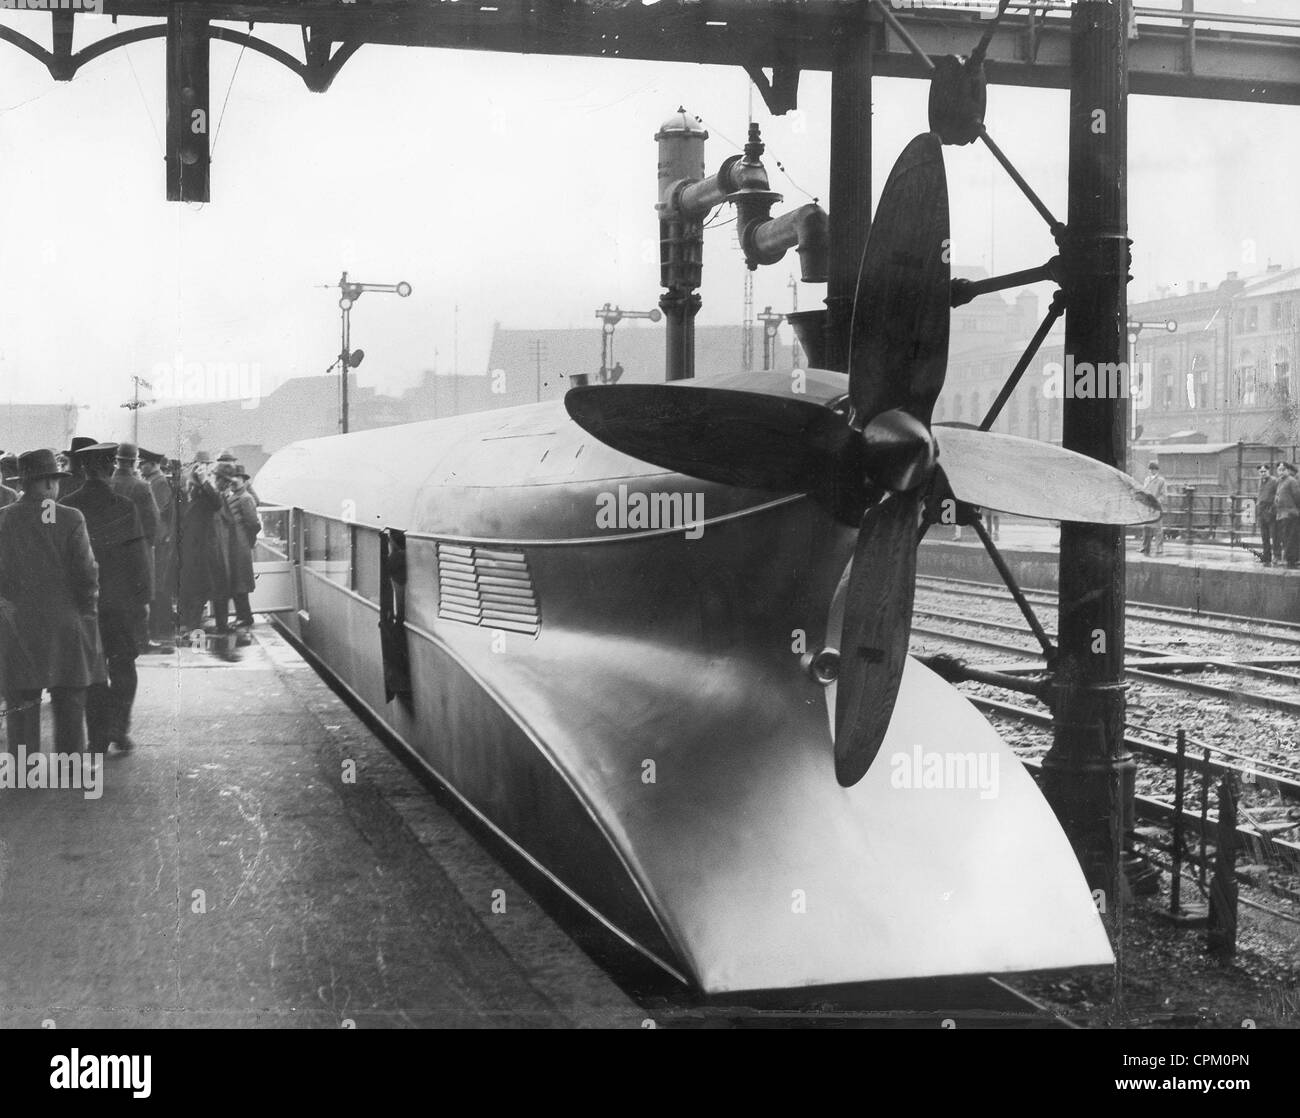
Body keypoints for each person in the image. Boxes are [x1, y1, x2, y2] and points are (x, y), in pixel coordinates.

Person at [0, 449, 104, 754]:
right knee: (69, 698)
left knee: (21, 701)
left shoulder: (3, 519)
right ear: (46, 483)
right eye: (55, 481)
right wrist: (87, 611)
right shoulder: (70, 518)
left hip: (17, 624)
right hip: (65, 623)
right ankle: (70, 766)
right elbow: (86, 573)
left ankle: (25, 766)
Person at [63, 444, 151, 751]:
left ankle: (97, 738)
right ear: (110, 467)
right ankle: (119, 728)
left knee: (93, 672)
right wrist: (143, 599)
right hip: (122, 602)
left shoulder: (68, 506)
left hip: (84, 605)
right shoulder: (125, 506)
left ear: (85, 468)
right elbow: (139, 558)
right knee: (124, 665)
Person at [177, 459, 238, 659]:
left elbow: (217, 504)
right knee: (198, 598)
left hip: (204, 554)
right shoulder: (199, 496)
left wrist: (204, 483)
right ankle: (197, 644)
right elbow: (215, 503)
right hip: (200, 556)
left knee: (205, 595)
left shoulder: (200, 495)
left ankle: (201, 638)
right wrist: (204, 483)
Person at [140, 449, 176, 647]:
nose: (140, 466)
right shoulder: (154, 481)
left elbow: (161, 511)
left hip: (160, 540)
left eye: (143, 463)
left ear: (153, 464)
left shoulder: (159, 482)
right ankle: (162, 625)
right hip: (159, 539)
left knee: (160, 584)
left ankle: (163, 627)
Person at [223, 465, 260, 644]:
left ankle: (245, 617)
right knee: (237, 582)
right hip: (235, 545)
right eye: (231, 477)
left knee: (240, 583)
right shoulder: (235, 495)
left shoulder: (245, 498)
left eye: (236, 477)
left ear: (243, 479)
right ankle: (243, 616)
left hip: (240, 545)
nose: (233, 480)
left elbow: (254, 524)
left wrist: (248, 541)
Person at [1274, 462, 1300, 569]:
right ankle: (1290, 558)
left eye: (1283, 469)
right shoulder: (1280, 481)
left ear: (1288, 470)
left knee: (1290, 537)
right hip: (1281, 513)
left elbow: (1297, 496)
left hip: (1290, 513)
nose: (1281, 471)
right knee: (1285, 536)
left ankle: (1290, 559)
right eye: (1279, 469)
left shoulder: (1292, 481)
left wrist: (1294, 509)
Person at [1140, 461, 1168, 557]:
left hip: (1156, 508)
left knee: (1158, 529)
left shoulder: (1161, 481)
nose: (1152, 471)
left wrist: (1156, 502)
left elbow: (1163, 495)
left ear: (1157, 470)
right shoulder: (1146, 480)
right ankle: (1145, 547)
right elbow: (1144, 492)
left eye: (1154, 469)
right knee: (1146, 528)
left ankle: (1159, 548)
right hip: (1147, 508)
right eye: (1151, 469)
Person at [1257, 463, 1279, 566]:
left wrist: (1272, 508)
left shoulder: (1274, 481)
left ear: (1268, 471)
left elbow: (1277, 495)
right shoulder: (1260, 481)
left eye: (1264, 471)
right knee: (1264, 535)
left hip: (1270, 510)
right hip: (1262, 511)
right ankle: (1266, 556)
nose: (1263, 473)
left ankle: (1276, 556)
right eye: (1261, 472)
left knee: (1274, 535)